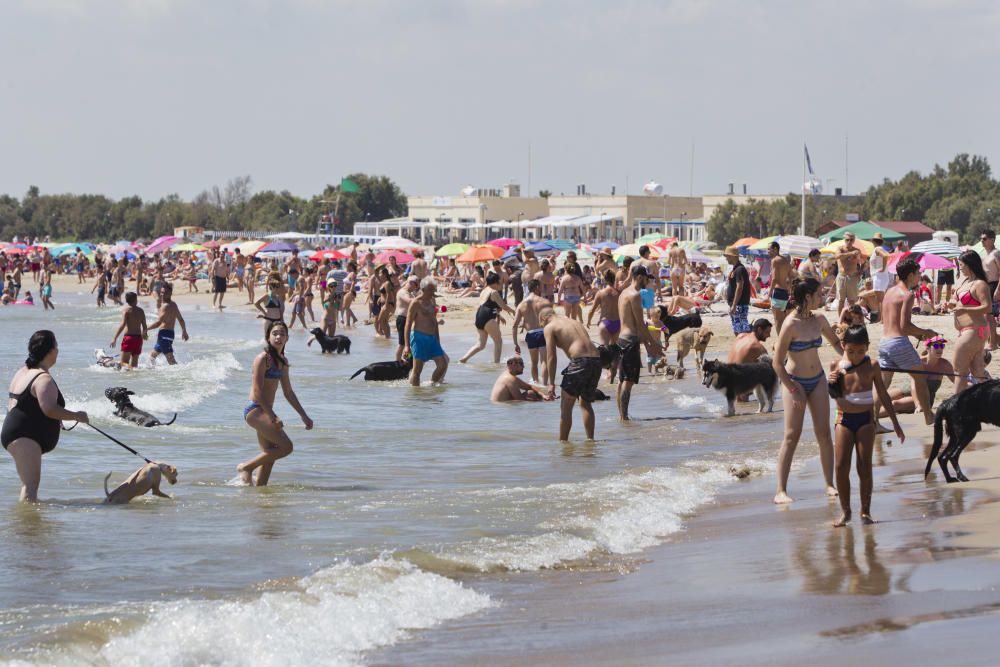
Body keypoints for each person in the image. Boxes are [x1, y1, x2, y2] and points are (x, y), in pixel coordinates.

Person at [772, 278, 843, 504]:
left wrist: (851, 359)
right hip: (795, 382)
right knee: (792, 435)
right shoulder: (790, 324)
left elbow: (837, 344)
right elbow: (777, 363)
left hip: (818, 379)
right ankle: (780, 490)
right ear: (807, 297)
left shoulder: (819, 319)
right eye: (818, 294)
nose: (821, 298)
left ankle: (829, 484)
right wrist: (793, 389)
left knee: (823, 433)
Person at [827, 326, 904, 527]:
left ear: (867, 348)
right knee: (841, 466)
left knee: (864, 466)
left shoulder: (872, 365)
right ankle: (846, 512)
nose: (855, 356)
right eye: (851, 351)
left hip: (866, 421)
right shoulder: (836, 364)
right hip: (843, 419)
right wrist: (831, 382)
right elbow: (835, 395)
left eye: (861, 351)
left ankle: (865, 512)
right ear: (843, 346)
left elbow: (884, 395)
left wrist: (896, 423)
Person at [2, 331, 89, 501]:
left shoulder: (23, 371)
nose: (58, 351)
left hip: (15, 434)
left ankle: (27, 525)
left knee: (28, 486)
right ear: (50, 351)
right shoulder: (43, 378)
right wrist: (77, 416)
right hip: (24, 438)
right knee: (30, 488)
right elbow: (49, 409)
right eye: (56, 347)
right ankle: (29, 526)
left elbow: (15, 403)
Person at [238, 321, 313, 486]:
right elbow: (257, 392)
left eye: (282, 334)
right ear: (268, 337)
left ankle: (261, 496)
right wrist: (273, 416)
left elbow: (288, 392)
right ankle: (246, 468)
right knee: (286, 447)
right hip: (255, 410)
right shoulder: (262, 359)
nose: (278, 337)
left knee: (269, 454)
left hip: (266, 412)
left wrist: (303, 415)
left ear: (287, 338)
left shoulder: (283, 362)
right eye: (275, 333)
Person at [874, 258, 939, 427]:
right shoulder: (908, 295)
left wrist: (917, 335)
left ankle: (872, 420)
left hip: (884, 342)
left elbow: (894, 322)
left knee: (883, 385)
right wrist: (925, 333)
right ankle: (928, 416)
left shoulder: (889, 291)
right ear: (910, 275)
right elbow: (904, 326)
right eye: (918, 273)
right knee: (920, 379)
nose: (919, 276)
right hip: (898, 342)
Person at [541, 308, 602, 440]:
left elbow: (551, 357)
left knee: (566, 405)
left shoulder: (550, 327)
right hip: (596, 360)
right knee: (586, 403)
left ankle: (563, 445)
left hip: (580, 361)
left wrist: (551, 383)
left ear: (544, 319)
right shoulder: (574, 321)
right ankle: (590, 441)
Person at [616, 265, 663, 420]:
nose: (647, 281)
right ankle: (625, 418)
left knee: (622, 379)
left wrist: (647, 343)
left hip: (621, 339)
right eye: (646, 278)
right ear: (640, 277)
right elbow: (640, 324)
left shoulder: (623, 293)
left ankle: (621, 416)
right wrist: (652, 344)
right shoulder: (635, 295)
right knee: (628, 381)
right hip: (630, 340)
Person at [879, 336, 954, 417]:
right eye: (936, 346)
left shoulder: (945, 364)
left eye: (942, 346)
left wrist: (919, 404)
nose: (939, 349)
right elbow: (913, 385)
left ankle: (870, 418)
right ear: (928, 348)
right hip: (906, 389)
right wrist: (917, 404)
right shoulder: (919, 362)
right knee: (879, 398)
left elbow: (957, 381)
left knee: (895, 404)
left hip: (923, 398)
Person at [951, 250, 991, 394]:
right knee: (977, 371)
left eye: (961, 265)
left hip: (974, 330)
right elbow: (961, 305)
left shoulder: (980, 284)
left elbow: (987, 307)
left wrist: (964, 309)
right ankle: (987, 403)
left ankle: (955, 408)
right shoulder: (966, 282)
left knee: (959, 370)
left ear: (969, 265)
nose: (959, 268)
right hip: (970, 331)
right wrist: (950, 305)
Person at [459, 272, 515, 364]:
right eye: (499, 282)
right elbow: (503, 306)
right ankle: (496, 363)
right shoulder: (494, 292)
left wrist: (499, 316)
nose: (500, 284)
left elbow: (487, 306)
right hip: (488, 318)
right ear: (496, 282)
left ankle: (464, 359)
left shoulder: (484, 291)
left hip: (479, 317)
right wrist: (513, 311)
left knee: (480, 345)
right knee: (498, 341)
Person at [404, 277, 449, 386]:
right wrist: (406, 346)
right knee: (417, 370)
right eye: (431, 290)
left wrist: (438, 340)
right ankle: (415, 395)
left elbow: (434, 321)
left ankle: (431, 385)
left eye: (434, 289)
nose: (433, 292)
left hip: (432, 338)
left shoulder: (432, 301)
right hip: (419, 338)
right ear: (423, 289)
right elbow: (408, 324)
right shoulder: (416, 303)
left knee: (443, 364)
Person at [512, 278, 551, 384]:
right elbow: (551, 320)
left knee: (534, 362)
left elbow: (515, 325)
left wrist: (516, 343)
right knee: (544, 361)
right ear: (537, 287)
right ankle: (544, 384)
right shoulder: (544, 301)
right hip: (543, 332)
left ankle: (535, 382)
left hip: (531, 334)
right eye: (541, 287)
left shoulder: (521, 305)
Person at [148, 283, 190, 365]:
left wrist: (146, 329)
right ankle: (156, 373)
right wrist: (184, 331)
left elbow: (158, 323)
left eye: (165, 293)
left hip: (164, 335)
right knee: (152, 357)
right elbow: (181, 319)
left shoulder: (165, 306)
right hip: (168, 334)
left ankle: (182, 375)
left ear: (170, 293)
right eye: (161, 292)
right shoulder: (173, 304)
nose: (162, 295)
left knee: (171, 361)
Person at [110, 292, 148, 370]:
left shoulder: (126, 310)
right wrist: (145, 334)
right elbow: (144, 325)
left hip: (129, 338)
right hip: (138, 339)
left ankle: (122, 366)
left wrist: (114, 338)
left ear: (127, 301)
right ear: (136, 300)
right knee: (134, 365)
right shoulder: (141, 311)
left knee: (123, 362)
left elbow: (122, 325)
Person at [724, 247, 751, 335]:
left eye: (727, 256)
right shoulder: (736, 269)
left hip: (739, 304)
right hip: (736, 304)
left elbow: (740, 287)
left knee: (742, 331)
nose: (726, 258)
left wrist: (734, 305)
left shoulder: (740, 269)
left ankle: (746, 347)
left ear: (733, 256)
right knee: (737, 329)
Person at [980, 229, 1000, 348]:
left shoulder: (996, 253)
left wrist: (998, 289)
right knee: (986, 316)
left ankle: (992, 343)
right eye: (981, 238)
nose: (982, 241)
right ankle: (994, 340)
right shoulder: (986, 254)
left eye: (984, 239)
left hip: (994, 285)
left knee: (990, 316)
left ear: (992, 240)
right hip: (987, 286)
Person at [834, 232, 862, 315]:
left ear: (854, 241)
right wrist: (850, 254)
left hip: (852, 277)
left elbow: (860, 261)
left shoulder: (856, 250)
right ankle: (840, 319)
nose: (849, 242)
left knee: (852, 300)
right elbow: (838, 256)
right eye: (847, 240)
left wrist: (860, 270)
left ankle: (851, 318)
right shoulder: (840, 249)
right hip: (842, 276)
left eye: (851, 240)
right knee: (840, 300)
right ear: (844, 240)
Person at [394, 275, 421, 361]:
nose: (416, 288)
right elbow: (410, 301)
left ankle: (406, 360)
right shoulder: (402, 292)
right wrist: (421, 297)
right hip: (402, 319)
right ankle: (397, 362)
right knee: (402, 343)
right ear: (411, 283)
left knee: (408, 343)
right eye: (416, 285)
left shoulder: (411, 293)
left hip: (408, 319)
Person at [768, 242, 792, 332]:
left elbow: (774, 279)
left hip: (777, 292)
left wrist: (769, 293)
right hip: (785, 293)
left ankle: (781, 342)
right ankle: (785, 340)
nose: (768, 251)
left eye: (769, 249)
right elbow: (791, 277)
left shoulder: (775, 260)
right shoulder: (785, 261)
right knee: (784, 320)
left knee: (778, 321)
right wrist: (789, 290)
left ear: (775, 249)